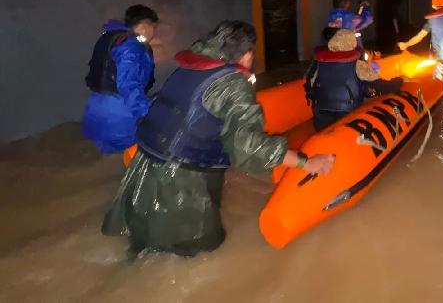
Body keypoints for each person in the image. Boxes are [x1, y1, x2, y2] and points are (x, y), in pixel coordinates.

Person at [102, 21, 334, 258]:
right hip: (178, 179)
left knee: (144, 247)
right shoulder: (233, 85)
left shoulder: (191, 66)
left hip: (143, 166)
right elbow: (249, 148)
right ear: (247, 55)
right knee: (196, 250)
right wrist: (307, 162)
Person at [82, 5, 158, 154]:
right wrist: (147, 113)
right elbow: (128, 85)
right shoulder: (131, 46)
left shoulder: (111, 37)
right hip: (118, 112)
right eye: (154, 27)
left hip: (95, 108)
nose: (154, 33)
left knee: (100, 154)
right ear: (144, 25)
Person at [305, 29, 402, 131]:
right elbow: (382, 86)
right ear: (352, 43)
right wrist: (399, 80)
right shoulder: (358, 65)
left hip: (321, 119)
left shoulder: (320, 63)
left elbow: (310, 87)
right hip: (349, 117)